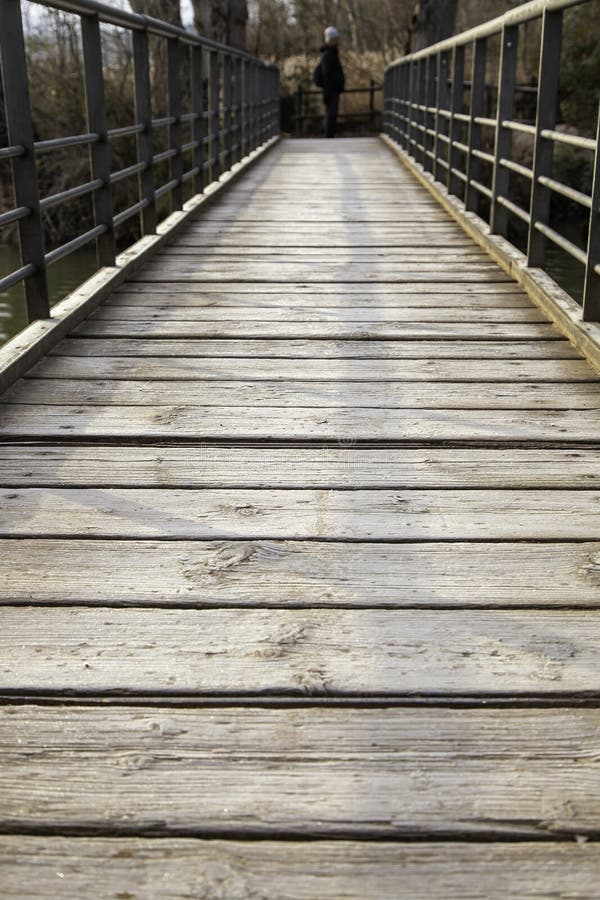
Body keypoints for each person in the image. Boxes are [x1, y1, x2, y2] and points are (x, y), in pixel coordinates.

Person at [319, 26, 345, 138]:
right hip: (331, 90)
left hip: (333, 89)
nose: (338, 40)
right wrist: (328, 90)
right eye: (336, 38)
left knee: (332, 113)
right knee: (331, 113)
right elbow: (327, 74)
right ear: (331, 39)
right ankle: (328, 137)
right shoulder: (328, 55)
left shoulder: (332, 53)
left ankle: (330, 136)